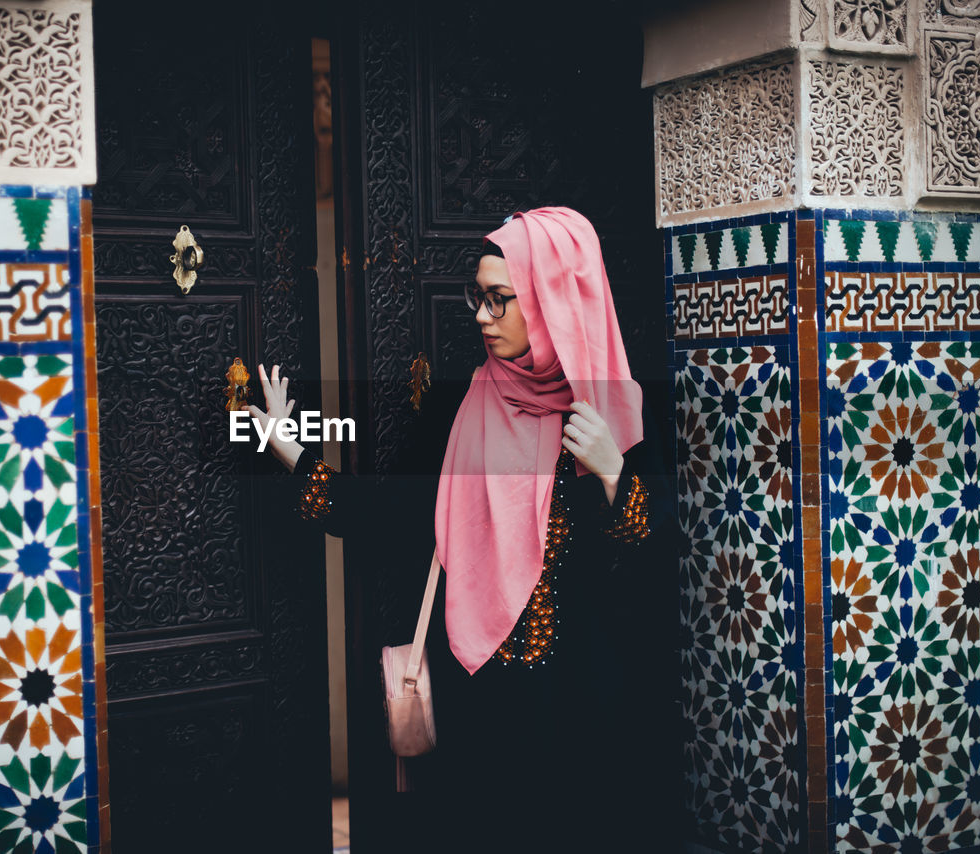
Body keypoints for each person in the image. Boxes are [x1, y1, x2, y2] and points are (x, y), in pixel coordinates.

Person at [239, 208, 679, 851]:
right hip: (482, 705)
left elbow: (651, 560)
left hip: (585, 708)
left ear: (552, 298)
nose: (481, 316)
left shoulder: (613, 412)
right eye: (479, 297)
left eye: (500, 300)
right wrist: (293, 454)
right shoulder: (462, 402)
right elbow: (390, 515)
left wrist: (613, 474)